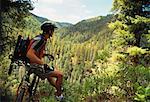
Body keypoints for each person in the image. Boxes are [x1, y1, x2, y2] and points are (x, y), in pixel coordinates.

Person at [26, 22, 63, 101]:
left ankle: (58, 87)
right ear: (49, 31)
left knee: (49, 75)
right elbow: (29, 54)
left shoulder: (39, 38)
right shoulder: (41, 40)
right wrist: (43, 63)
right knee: (60, 75)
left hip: (30, 64)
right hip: (34, 66)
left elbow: (36, 52)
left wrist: (45, 55)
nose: (53, 32)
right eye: (52, 30)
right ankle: (59, 95)